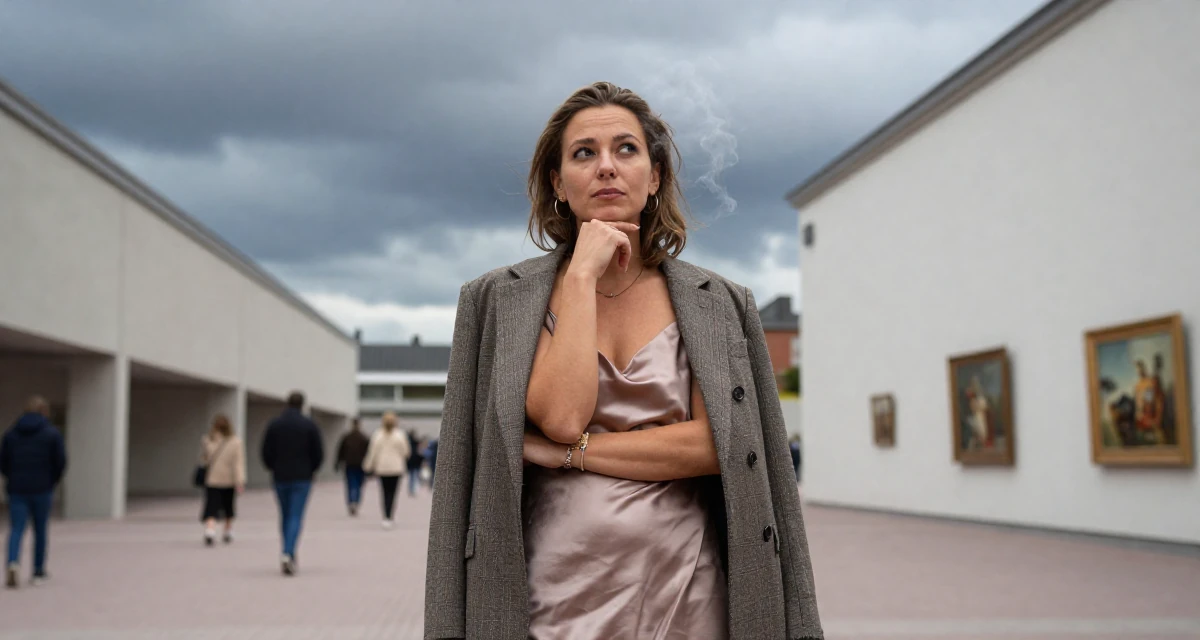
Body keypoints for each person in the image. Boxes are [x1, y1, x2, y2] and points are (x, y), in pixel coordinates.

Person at [423, 82, 823, 639]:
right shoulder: (496, 301)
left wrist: (568, 455)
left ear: (654, 176)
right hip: (547, 596)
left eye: (626, 149)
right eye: (584, 153)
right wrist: (582, 275)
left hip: (689, 591)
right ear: (558, 183)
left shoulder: (722, 303)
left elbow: (718, 445)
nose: (607, 167)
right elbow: (562, 416)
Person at [1, 396, 66, 590]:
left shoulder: (11, 434)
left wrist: (11, 477)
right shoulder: (52, 434)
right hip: (42, 488)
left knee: (16, 528)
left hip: (17, 488)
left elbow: (3, 461)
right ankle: (38, 571)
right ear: (44, 412)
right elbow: (60, 461)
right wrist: (51, 480)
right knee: (40, 530)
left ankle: (13, 562)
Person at [260, 391, 324, 576]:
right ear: (302, 404)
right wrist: (312, 469)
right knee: (295, 515)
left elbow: (265, 450)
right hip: (302, 477)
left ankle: (287, 550)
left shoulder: (275, 425)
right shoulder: (309, 425)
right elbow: (318, 453)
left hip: (280, 476)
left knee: (285, 514)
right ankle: (288, 552)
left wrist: (272, 466)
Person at [198, 414, 245, 546]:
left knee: (211, 505)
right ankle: (227, 530)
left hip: (212, 479)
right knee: (228, 505)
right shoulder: (236, 442)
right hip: (229, 480)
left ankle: (210, 529)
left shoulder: (208, 440)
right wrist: (239, 481)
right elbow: (238, 463)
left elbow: (204, 459)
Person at [362, 412, 410, 529]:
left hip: (382, 468)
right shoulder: (400, 435)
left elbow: (372, 452)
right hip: (396, 468)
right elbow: (406, 452)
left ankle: (386, 516)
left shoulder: (377, 435)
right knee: (393, 493)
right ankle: (390, 516)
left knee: (384, 493)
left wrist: (368, 465)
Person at [333, 418, 370, 516]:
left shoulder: (347, 437)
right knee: (359, 484)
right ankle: (356, 501)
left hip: (349, 464)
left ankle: (351, 501)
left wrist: (337, 462)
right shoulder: (364, 437)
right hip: (361, 465)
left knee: (350, 484)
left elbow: (340, 451)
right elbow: (368, 453)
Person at [405, 429, 424, 497]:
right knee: (414, 476)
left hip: (410, 462)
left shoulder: (407, 443)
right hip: (416, 462)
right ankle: (413, 490)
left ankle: (411, 489)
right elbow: (420, 453)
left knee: (411, 477)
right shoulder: (416, 443)